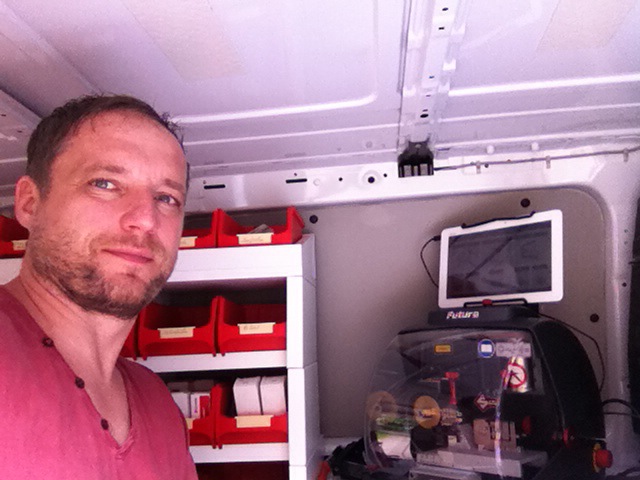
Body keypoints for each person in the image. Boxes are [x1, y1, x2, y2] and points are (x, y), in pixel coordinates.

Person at [0, 95, 198, 479]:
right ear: (29, 203)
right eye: (104, 183)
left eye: (166, 198)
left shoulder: (159, 407)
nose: (146, 219)